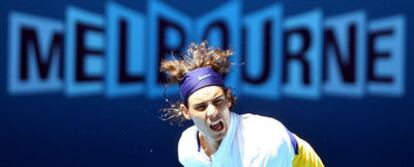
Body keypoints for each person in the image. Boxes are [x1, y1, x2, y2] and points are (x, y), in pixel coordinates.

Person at [159, 41, 324, 167]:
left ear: (229, 99)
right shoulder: (188, 149)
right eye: (201, 107)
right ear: (186, 111)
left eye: (218, 101)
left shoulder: (262, 143)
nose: (213, 113)